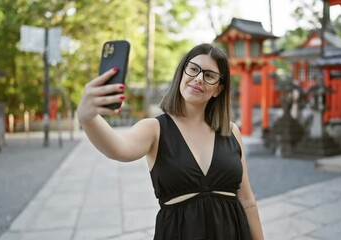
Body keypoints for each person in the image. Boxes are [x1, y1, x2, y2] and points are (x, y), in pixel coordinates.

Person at [77, 43, 265, 239]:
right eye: (193, 69)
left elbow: (247, 199)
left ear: (218, 89)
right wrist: (88, 118)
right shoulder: (154, 129)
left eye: (209, 75)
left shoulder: (231, 131)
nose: (199, 78)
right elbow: (118, 149)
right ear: (182, 73)